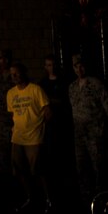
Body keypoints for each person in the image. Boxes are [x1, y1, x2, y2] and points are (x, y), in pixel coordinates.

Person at [68, 53, 108, 203]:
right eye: (76, 66)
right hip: (79, 133)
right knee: (81, 166)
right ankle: (86, 197)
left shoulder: (96, 84)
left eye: (81, 65)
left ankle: (102, 196)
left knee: (99, 166)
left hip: (95, 132)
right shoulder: (72, 87)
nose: (79, 69)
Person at [7, 61, 52, 214]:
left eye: (17, 73)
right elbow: (13, 114)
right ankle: (30, 198)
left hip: (34, 138)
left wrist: (42, 129)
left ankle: (48, 199)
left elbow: (47, 111)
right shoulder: (11, 93)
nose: (14, 76)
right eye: (12, 74)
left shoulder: (35, 90)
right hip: (18, 138)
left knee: (37, 170)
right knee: (20, 171)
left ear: (23, 73)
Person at [39, 54, 75, 203]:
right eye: (48, 65)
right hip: (50, 126)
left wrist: (53, 102)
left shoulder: (65, 82)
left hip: (63, 124)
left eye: (53, 64)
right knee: (51, 155)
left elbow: (67, 101)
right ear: (45, 67)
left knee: (64, 155)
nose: (51, 67)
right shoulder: (42, 83)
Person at [0, 48, 15, 172]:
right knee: (3, 157)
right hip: (0, 124)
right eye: (1, 58)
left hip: (14, 122)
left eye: (5, 58)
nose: (3, 61)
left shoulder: (15, 76)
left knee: (16, 159)